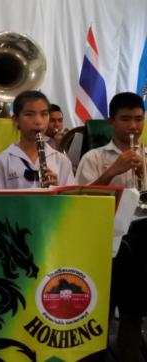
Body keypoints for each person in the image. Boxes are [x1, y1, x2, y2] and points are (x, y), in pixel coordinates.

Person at [74, 92, 146, 362]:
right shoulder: (94, 157)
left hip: (141, 243)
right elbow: (80, 200)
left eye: (138, 119)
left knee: (133, 315)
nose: (133, 126)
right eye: (125, 119)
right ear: (111, 122)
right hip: (104, 243)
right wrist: (113, 170)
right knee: (99, 314)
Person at [0, 91, 75, 189]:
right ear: (16, 119)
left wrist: (57, 190)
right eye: (29, 114)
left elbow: (71, 197)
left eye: (44, 114)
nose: (38, 121)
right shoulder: (0, 163)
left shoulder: (62, 161)